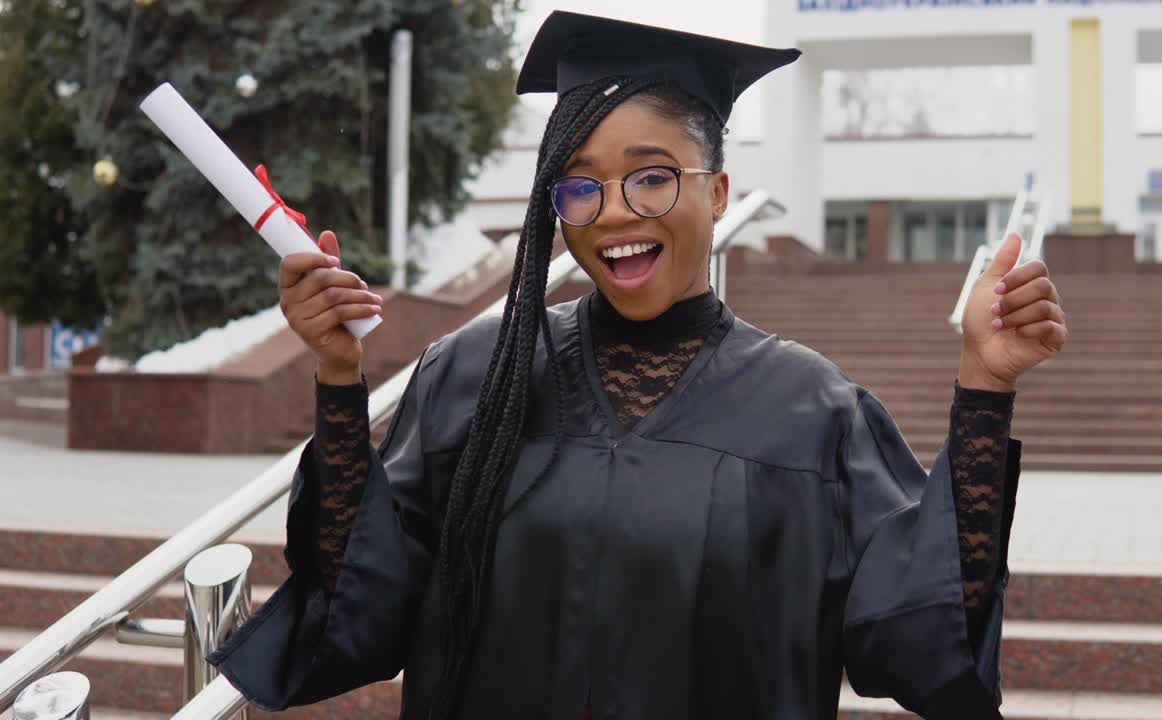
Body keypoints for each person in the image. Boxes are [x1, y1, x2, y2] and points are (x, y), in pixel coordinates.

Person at [209, 11, 1067, 720]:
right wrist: (334, 373)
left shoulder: (813, 413)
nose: (613, 212)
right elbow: (359, 606)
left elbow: (923, 645)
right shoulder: (478, 375)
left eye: (650, 177)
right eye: (578, 185)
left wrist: (986, 388)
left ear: (718, 193)